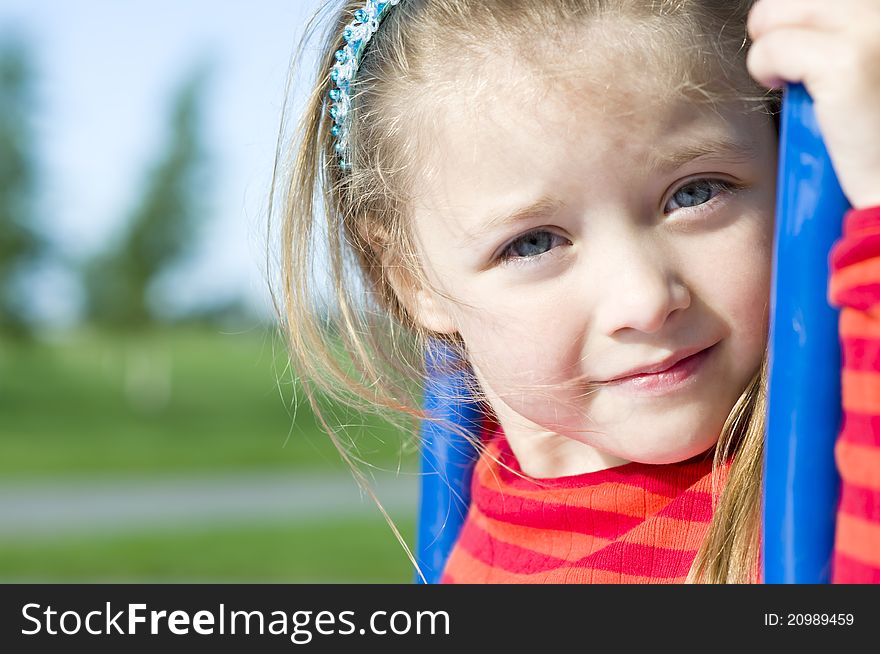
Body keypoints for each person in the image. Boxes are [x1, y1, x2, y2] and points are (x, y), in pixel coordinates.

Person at [273, 0, 880, 583]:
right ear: (413, 277)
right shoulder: (469, 517)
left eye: (695, 193)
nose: (644, 300)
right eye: (534, 243)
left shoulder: (829, 489)